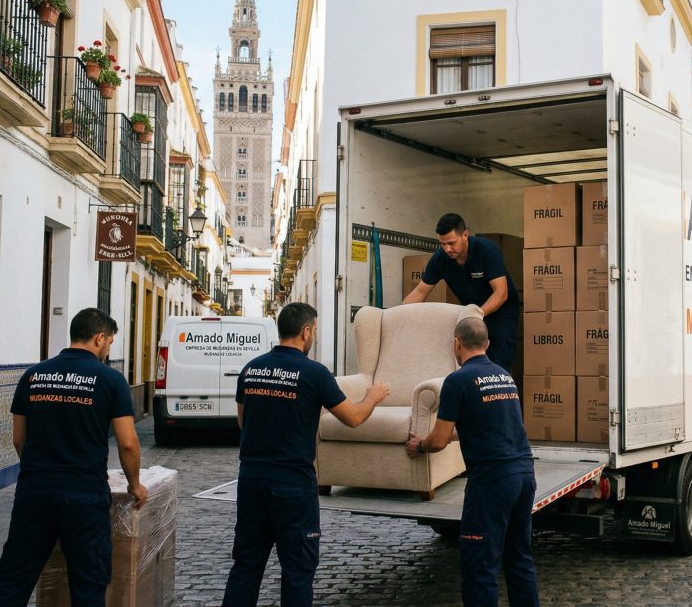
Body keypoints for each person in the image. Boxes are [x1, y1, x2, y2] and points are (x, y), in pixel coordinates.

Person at [223, 302, 391, 607]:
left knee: (246, 566)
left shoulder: (251, 369)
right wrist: (374, 396)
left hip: (252, 480)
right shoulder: (314, 373)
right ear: (306, 331)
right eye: (314, 330)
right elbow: (352, 418)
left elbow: (242, 423)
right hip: (293, 484)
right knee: (298, 570)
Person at [0, 308, 146, 606]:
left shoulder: (33, 376)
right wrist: (135, 484)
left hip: (34, 492)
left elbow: (18, 439)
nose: (109, 348)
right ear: (99, 338)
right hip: (84, 495)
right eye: (110, 342)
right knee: (88, 584)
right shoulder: (110, 380)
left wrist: (40, 471)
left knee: (14, 581)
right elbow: (128, 443)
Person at [407, 317, 539, 607]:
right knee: (518, 560)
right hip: (524, 475)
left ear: (456, 343)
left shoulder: (457, 381)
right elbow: (488, 424)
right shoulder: (504, 375)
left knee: (480, 566)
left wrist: (421, 445)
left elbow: (438, 440)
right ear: (488, 344)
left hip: (491, 482)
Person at [403, 213, 521, 372]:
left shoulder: (487, 250)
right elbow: (420, 291)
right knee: (470, 364)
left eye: (451, 243)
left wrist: (476, 314)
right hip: (472, 314)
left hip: (500, 312)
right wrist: (398, 317)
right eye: (442, 244)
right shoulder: (440, 259)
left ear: (465, 235)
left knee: (497, 363)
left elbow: (501, 293)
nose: (447, 249)